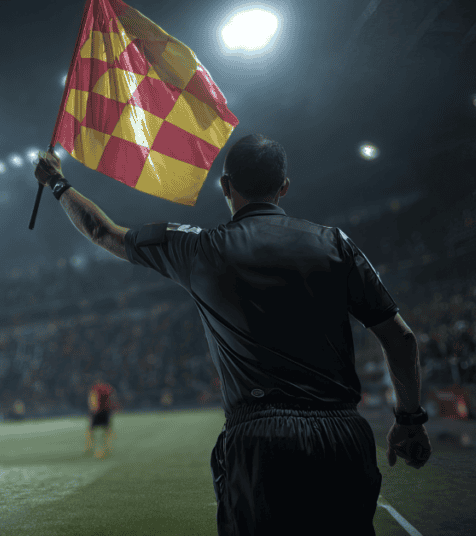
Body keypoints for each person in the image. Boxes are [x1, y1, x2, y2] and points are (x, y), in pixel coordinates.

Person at [34, 135, 431, 535]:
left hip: (261, 442)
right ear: (284, 187)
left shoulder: (200, 249)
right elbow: (402, 340)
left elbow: (102, 232)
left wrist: (57, 183)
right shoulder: (336, 244)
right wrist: (409, 420)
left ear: (226, 187)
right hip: (342, 436)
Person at [86, 375, 116, 458]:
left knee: (91, 430)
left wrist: (92, 410)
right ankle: (108, 447)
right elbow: (112, 398)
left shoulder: (94, 388)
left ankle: (90, 447)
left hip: (97, 411)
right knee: (107, 430)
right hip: (106, 411)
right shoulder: (107, 388)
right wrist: (112, 409)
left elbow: (92, 399)